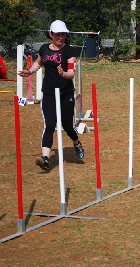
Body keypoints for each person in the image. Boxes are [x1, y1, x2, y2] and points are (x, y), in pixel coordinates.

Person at [18, 20, 84, 171]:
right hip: (48, 92)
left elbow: (72, 73)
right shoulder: (44, 49)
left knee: (68, 125)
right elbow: (38, 62)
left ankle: (76, 142)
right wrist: (30, 71)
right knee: (50, 124)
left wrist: (63, 73)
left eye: (62, 34)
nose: (60, 37)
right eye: (57, 34)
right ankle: (45, 159)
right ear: (50, 34)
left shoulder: (69, 51)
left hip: (65, 92)